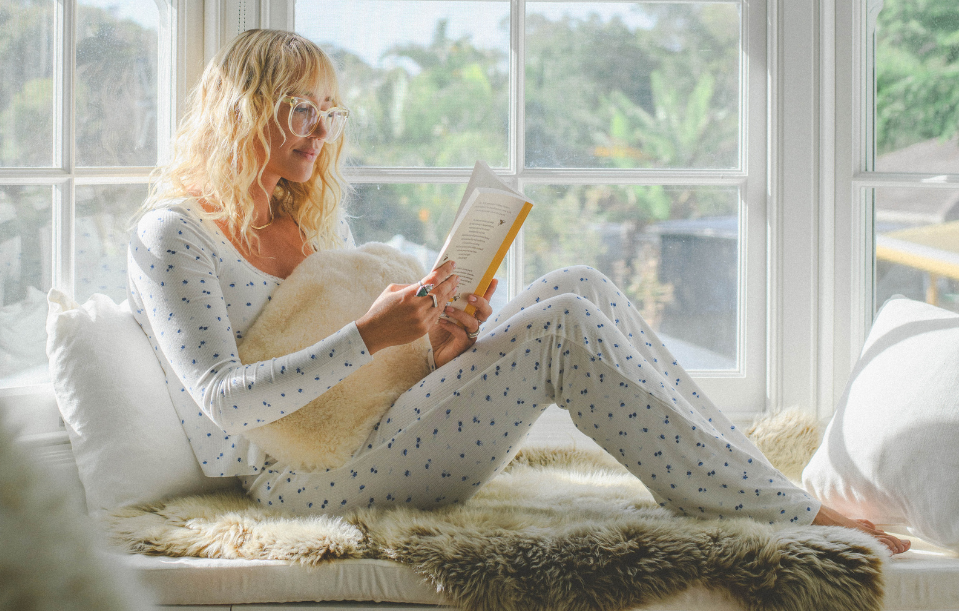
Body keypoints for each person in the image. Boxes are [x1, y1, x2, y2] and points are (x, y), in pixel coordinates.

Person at [128, 28, 908, 553]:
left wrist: (436, 347)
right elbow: (225, 400)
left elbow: (349, 377)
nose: (320, 130)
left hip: (379, 427)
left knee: (579, 283)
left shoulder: (297, 222)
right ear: (242, 111)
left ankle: (757, 482)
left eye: (329, 112)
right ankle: (789, 512)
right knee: (561, 324)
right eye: (301, 109)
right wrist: (371, 334)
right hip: (297, 481)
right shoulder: (174, 236)